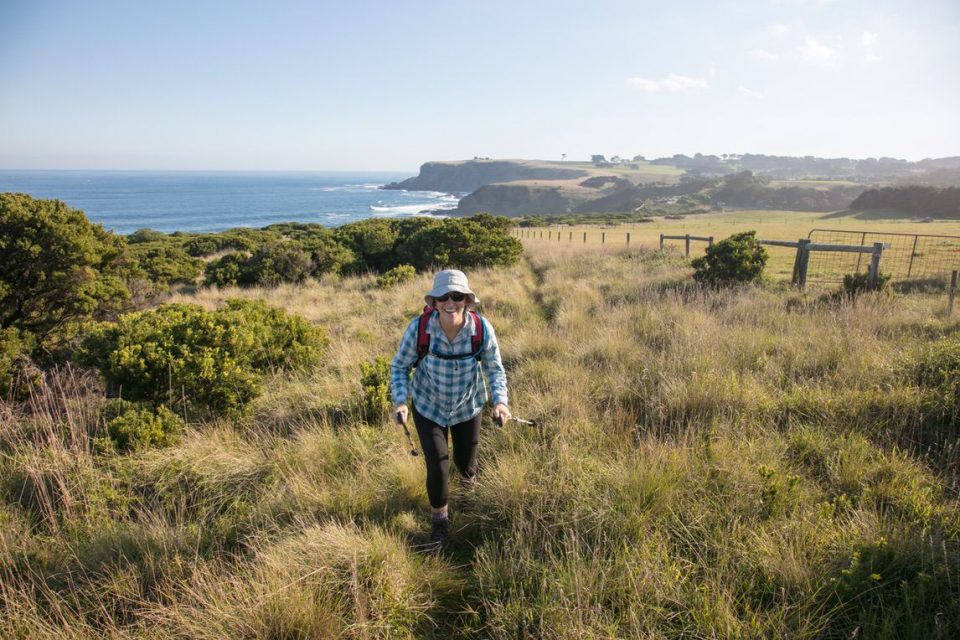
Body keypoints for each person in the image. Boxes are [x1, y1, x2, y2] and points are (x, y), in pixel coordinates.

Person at [390, 269, 511, 551]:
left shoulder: (481, 329)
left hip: (468, 407)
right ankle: (440, 523)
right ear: (434, 302)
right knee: (438, 465)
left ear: (467, 300)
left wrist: (501, 402)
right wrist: (400, 400)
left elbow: (494, 369)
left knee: (467, 465)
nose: (450, 302)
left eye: (457, 296)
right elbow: (399, 367)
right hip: (428, 406)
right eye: (443, 296)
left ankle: (468, 501)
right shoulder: (419, 329)